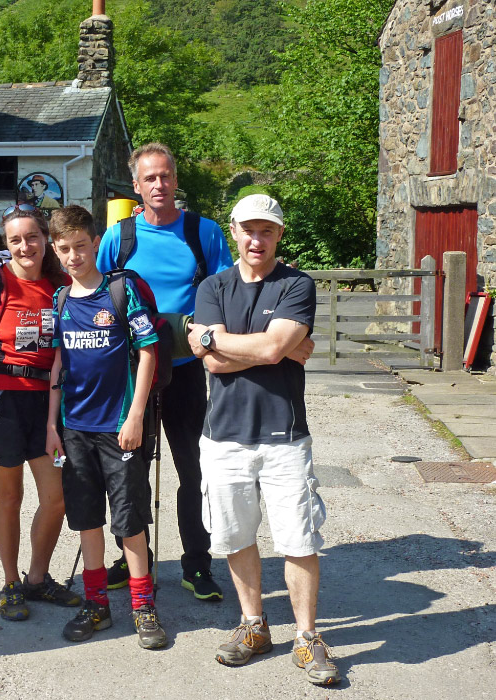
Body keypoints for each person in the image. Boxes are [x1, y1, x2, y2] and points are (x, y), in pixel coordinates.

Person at [188, 194, 339, 686]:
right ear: (234, 231)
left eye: (267, 230)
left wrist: (214, 338)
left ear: (279, 234)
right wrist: (279, 348)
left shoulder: (297, 284)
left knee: (298, 538)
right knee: (235, 536)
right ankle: (254, 626)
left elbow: (268, 347)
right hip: (223, 436)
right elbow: (218, 363)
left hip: (284, 436)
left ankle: (307, 637)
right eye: (249, 229)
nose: (257, 239)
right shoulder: (213, 286)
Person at [96, 142, 233, 599]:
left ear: (175, 180)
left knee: (193, 470)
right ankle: (134, 559)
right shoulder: (120, 236)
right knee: (129, 468)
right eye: (149, 178)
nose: (159, 185)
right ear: (136, 186)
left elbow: (227, 293)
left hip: (186, 371)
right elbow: (96, 294)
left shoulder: (204, 232)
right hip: (132, 373)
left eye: (165, 176)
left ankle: (197, 564)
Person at [45, 205, 166, 650]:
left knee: (129, 520)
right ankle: (96, 604)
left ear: (95, 242)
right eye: (64, 249)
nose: (73, 256)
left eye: (80, 246)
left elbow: (148, 351)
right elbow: (58, 364)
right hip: (73, 430)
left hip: (119, 428)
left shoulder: (121, 290)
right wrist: (50, 426)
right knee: (87, 519)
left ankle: (143, 606)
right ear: (56, 253)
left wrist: (136, 416)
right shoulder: (59, 300)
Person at [0, 203, 81, 621]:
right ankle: (10, 583)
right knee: (9, 497)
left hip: (47, 402)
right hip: (0, 402)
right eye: (16, 239)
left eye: (32, 236)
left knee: (56, 498)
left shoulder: (61, 284)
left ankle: (37, 577)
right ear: (6, 244)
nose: (25, 245)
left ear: (45, 238)